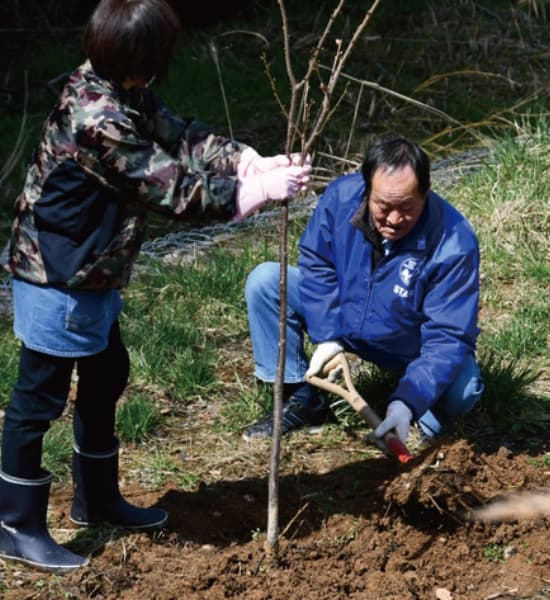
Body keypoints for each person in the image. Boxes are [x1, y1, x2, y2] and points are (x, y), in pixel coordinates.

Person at [0, 0, 310, 573]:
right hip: (56, 273)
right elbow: (166, 187)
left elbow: (179, 136)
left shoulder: (124, 90)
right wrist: (254, 194)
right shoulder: (97, 116)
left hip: (92, 269)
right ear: (138, 56)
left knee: (105, 374)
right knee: (37, 400)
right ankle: (15, 525)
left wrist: (248, 162)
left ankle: (96, 499)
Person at [243, 136, 483, 449]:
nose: (394, 219)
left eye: (407, 207)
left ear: (425, 193)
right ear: (367, 189)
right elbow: (317, 263)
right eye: (384, 206)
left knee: (464, 390)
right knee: (267, 282)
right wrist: (327, 335)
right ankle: (301, 398)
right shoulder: (340, 199)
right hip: (345, 316)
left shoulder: (454, 242)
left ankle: (417, 416)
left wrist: (407, 403)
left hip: (409, 344)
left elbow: (448, 336)